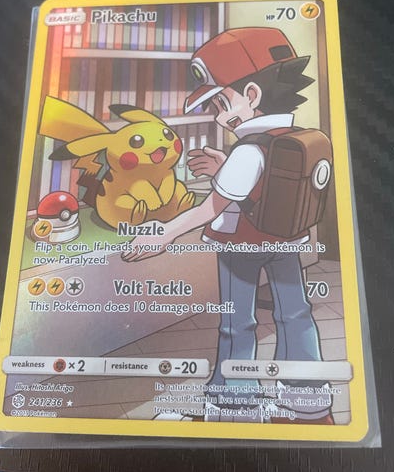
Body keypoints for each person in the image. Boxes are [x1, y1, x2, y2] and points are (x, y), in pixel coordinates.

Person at [123, 28, 333, 424]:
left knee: (239, 322)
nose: (219, 115)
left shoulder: (248, 150)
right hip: (285, 241)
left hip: (240, 247)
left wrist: (164, 234)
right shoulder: (290, 135)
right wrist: (226, 167)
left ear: (252, 95)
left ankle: (233, 404)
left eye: (222, 102)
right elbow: (263, 186)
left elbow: (213, 206)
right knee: (295, 313)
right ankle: (307, 402)